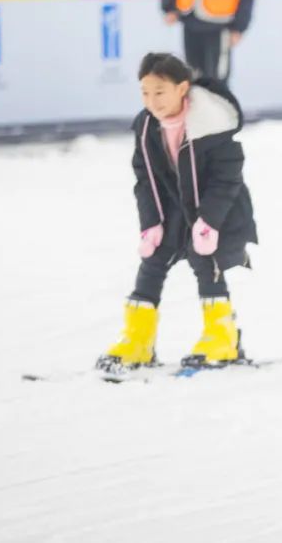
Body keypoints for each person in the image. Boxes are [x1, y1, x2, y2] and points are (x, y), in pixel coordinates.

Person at [96, 52, 258, 376]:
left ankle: (221, 337)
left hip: (217, 209)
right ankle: (138, 339)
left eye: (160, 92)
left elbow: (228, 176)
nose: (151, 101)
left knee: (206, 262)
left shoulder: (211, 124)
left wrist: (209, 222)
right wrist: (151, 224)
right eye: (145, 92)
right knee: (152, 261)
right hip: (172, 209)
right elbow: (145, 179)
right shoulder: (146, 126)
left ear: (182, 88)